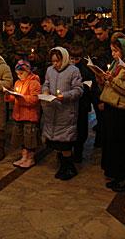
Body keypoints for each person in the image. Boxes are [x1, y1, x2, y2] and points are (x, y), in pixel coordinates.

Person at [98, 37, 125, 192]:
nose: (113, 54)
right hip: (110, 107)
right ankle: (115, 173)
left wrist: (112, 80)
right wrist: (102, 79)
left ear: (124, 50)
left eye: (116, 51)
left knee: (120, 144)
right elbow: (110, 85)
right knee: (111, 143)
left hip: (121, 109)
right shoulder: (116, 64)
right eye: (112, 51)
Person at [42, 46, 83, 180]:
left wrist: (64, 96)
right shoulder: (50, 70)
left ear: (64, 59)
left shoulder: (73, 71)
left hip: (66, 111)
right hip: (53, 110)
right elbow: (46, 83)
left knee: (65, 142)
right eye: (53, 61)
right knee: (56, 141)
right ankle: (63, 165)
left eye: (57, 61)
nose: (55, 64)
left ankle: (69, 167)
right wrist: (46, 91)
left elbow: (78, 90)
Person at [5, 60, 41, 169]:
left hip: (29, 115)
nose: (19, 76)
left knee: (29, 138)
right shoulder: (17, 83)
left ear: (28, 71)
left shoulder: (34, 82)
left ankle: (30, 158)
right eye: (17, 74)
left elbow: (35, 99)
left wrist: (22, 98)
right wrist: (9, 96)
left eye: (21, 73)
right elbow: (15, 98)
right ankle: (24, 157)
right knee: (22, 138)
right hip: (19, 114)